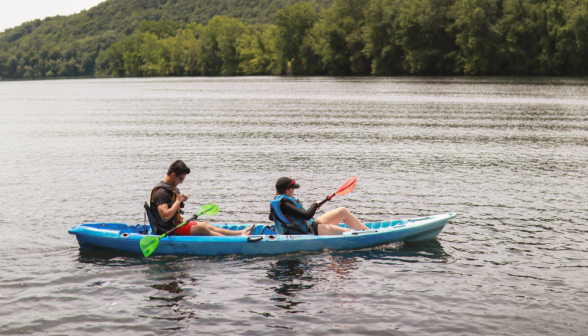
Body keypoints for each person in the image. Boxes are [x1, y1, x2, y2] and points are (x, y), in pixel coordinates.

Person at [149, 160, 254, 236]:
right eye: (181, 178)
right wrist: (177, 201)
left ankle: (239, 233)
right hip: (168, 229)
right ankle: (234, 241)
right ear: (173, 175)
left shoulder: (171, 188)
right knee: (203, 229)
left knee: (207, 224)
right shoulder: (161, 192)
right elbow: (165, 217)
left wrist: (180, 199)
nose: (181, 182)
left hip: (175, 224)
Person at [269, 177, 369, 235]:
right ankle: (367, 236)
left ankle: (369, 232)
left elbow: (271, 217)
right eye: (293, 189)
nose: (294, 191)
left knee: (342, 211)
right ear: (287, 191)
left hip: (310, 225)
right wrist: (315, 204)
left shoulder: (276, 202)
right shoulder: (285, 204)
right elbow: (307, 215)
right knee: (348, 232)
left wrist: (318, 204)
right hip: (309, 230)